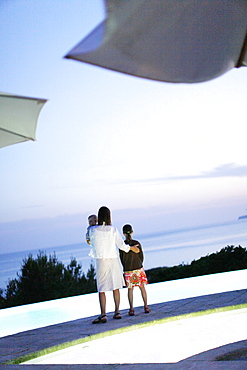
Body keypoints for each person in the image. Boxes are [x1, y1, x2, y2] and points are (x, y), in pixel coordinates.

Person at [88, 206, 140, 324]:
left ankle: (103, 314)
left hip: (101, 260)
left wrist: (93, 222)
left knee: (101, 288)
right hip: (113, 260)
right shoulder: (113, 230)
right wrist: (131, 248)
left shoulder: (93, 230)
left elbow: (90, 241)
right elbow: (121, 245)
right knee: (115, 286)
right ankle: (117, 312)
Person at [120, 224, 150, 316]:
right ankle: (146, 306)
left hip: (128, 269)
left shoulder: (123, 245)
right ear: (132, 232)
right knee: (142, 288)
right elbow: (141, 256)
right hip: (138, 267)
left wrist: (125, 266)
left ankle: (131, 308)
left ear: (123, 233)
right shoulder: (137, 243)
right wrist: (139, 264)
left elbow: (121, 258)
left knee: (130, 290)